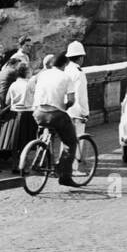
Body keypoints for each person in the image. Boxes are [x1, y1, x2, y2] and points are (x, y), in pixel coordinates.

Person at [32, 53, 78, 187]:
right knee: (71, 142)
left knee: (48, 131)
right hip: (55, 114)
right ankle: (65, 175)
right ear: (65, 64)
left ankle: (41, 156)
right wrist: (65, 106)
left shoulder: (42, 74)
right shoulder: (66, 77)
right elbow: (71, 100)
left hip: (38, 113)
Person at [0, 63, 36, 170]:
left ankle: (15, 164)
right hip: (27, 113)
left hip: (13, 114)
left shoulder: (13, 85)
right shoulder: (29, 84)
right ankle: (22, 165)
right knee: (25, 142)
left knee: (14, 142)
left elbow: (8, 100)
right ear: (27, 72)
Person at [63, 41, 90, 138]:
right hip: (76, 113)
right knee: (78, 142)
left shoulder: (65, 70)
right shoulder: (79, 73)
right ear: (80, 57)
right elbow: (81, 95)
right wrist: (85, 112)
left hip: (65, 111)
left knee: (66, 142)